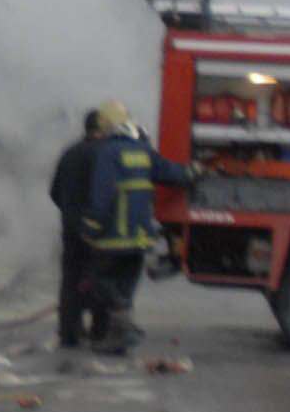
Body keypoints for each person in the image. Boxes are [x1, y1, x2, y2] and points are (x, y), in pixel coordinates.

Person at [56, 103, 190, 354]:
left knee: (99, 282)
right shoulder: (143, 151)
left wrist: (91, 226)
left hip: (114, 238)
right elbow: (172, 173)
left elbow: (102, 194)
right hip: (139, 238)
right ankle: (116, 339)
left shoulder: (108, 153)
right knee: (125, 287)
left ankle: (120, 327)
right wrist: (194, 171)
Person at [48, 109, 108, 350]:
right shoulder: (105, 155)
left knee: (71, 279)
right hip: (97, 229)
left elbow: (54, 191)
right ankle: (99, 331)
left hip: (71, 227)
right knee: (100, 277)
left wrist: (69, 212)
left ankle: (69, 332)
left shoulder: (70, 153)